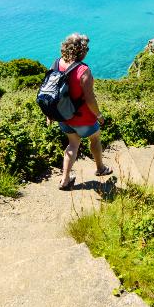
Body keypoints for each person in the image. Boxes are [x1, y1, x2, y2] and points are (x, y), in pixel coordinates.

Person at [53, 33, 112, 190]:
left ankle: (65, 180)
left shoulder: (57, 63)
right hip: (83, 118)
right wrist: (99, 116)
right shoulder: (83, 70)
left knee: (73, 144)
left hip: (64, 116)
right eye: (87, 48)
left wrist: (49, 114)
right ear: (81, 51)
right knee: (95, 139)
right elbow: (90, 99)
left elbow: (49, 91)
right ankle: (100, 168)